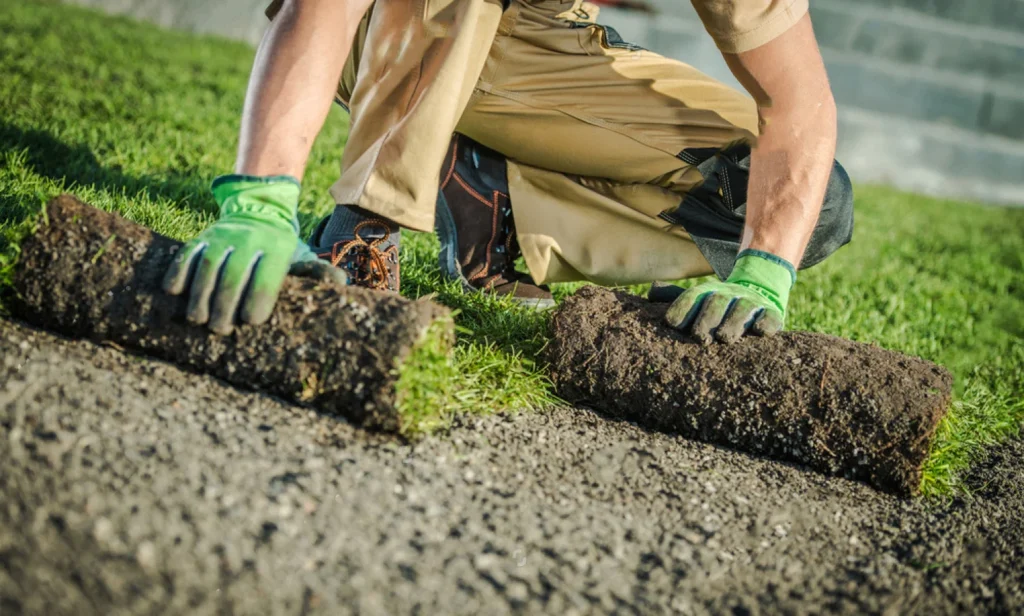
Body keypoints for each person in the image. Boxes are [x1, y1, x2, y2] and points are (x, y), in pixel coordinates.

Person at [164, 0, 853, 345]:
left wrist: (764, 268)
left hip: (537, 46)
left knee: (814, 205)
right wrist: (259, 199)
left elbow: (799, 104)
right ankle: (367, 224)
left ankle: (495, 213)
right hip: (379, 32)